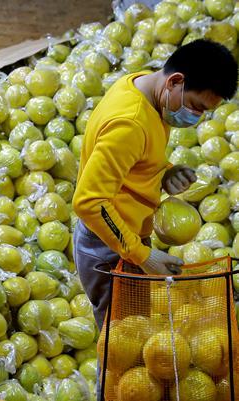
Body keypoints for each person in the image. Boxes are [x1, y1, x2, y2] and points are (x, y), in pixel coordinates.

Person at [72, 39, 238, 331]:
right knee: (123, 346)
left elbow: (132, 162)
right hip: (110, 246)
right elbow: (89, 202)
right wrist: (142, 256)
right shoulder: (130, 123)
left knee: (132, 336)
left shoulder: (139, 86)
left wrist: (164, 173)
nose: (195, 119)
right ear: (175, 81)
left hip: (122, 240)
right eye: (196, 107)